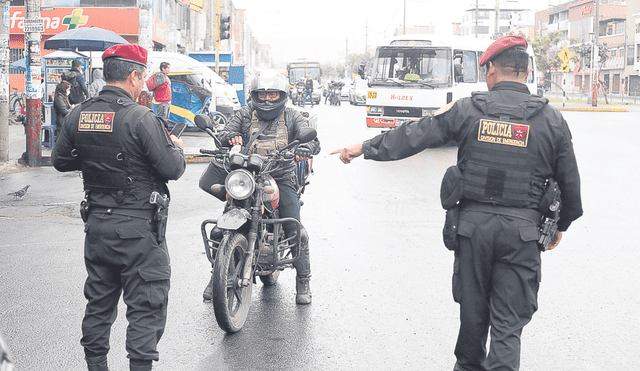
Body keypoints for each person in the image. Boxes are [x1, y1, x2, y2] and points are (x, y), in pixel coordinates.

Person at [330, 35, 583, 371]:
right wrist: (560, 225)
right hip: (522, 234)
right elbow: (570, 185)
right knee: (508, 327)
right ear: (525, 71)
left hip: (473, 231)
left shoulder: (468, 109)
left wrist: (365, 147)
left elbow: (416, 134)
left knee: (473, 317)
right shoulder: (551, 119)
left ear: (492, 69)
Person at [51, 44, 186, 371]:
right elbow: (172, 168)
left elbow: (59, 161)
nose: (142, 85)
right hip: (138, 232)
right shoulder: (140, 117)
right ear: (134, 75)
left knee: (98, 304)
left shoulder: (79, 113)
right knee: (145, 308)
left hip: (97, 228)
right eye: (141, 78)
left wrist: (93, 158)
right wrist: (176, 147)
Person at [202, 69, 321, 304]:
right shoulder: (245, 114)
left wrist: (304, 150)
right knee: (220, 228)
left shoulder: (292, 116)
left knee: (294, 228)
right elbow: (226, 131)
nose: (267, 100)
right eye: (262, 95)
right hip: (247, 177)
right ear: (254, 95)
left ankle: (303, 280)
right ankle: (218, 273)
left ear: (282, 95)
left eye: (273, 95)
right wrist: (230, 138)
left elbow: (313, 141)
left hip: (281, 177)